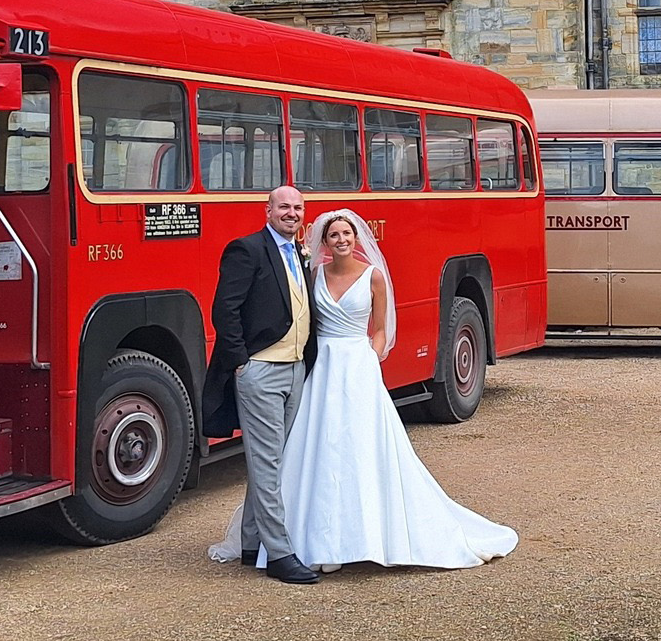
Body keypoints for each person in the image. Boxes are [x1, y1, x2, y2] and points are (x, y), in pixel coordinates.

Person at [213, 208, 517, 572]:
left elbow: (381, 329)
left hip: (358, 367)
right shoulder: (314, 275)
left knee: (360, 451)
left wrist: (370, 358)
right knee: (316, 451)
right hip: (322, 368)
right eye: (333, 235)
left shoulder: (373, 277)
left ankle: (364, 536)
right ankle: (315, 540)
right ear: (323, 242)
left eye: (347, 234)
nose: (341, 240)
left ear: (357, 238)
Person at [201, 185, 320, 584]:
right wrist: (241, 364)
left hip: (295, 368)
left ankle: (252, 542)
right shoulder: (246, 249)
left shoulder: (299, 252)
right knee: (268, 463)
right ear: (267, 210)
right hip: (261, 371)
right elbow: (225, 309)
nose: (292, 213)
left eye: (298, 207)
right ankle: (280, 553)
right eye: (284, 206)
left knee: (272, 459)